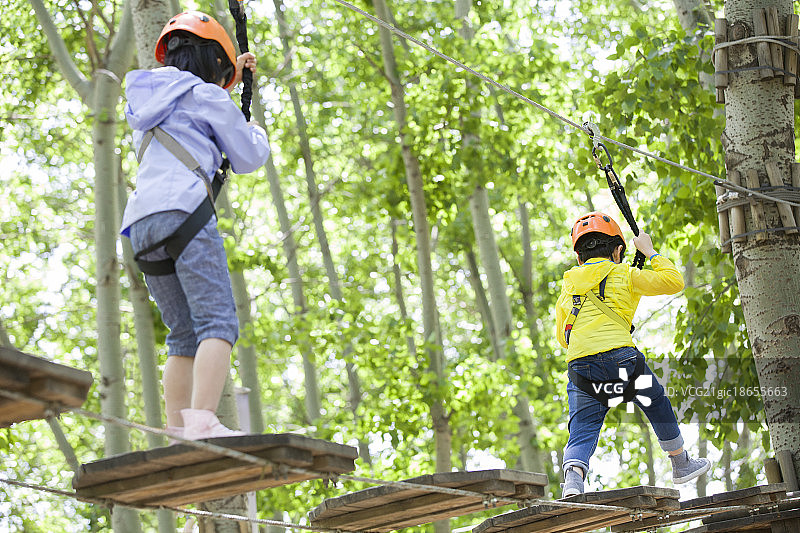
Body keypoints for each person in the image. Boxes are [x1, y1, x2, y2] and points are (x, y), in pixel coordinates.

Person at [120, 11, 270, 441]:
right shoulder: (209, 98)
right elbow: (247, 157)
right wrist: (252, 127)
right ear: (213, 65)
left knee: (182, 335)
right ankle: (202, 421)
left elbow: (190, 106)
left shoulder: (145, 102)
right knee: (218, 324)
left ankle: (176, 428)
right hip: (185, 213)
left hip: (142, 226)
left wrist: (230, 81)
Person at [555, 212, 710, 497]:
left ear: (579, 257)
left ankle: (573, 482)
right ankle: (680, 463)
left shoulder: (568, 285)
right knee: (655, 401)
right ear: (617, 251)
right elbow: (673, 281)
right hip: (620, 356)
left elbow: (562, 337)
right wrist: (649, 252)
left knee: (583, 424)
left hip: (580, 363)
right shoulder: (625, 274)